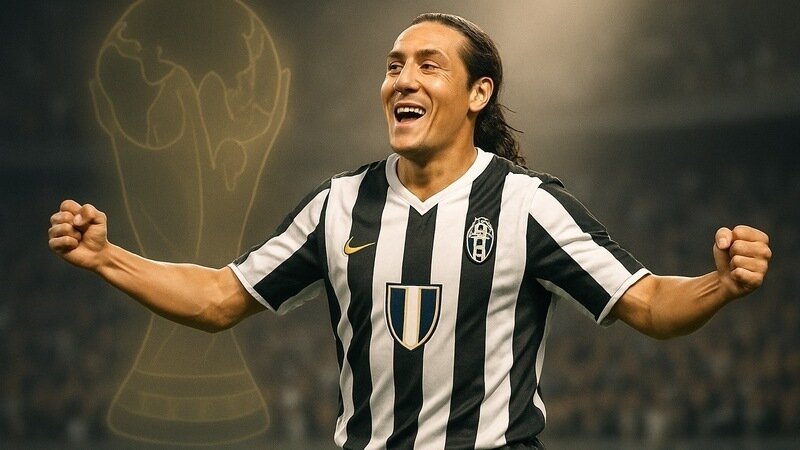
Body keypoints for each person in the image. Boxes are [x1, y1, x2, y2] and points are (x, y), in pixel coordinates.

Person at [49, 13, 771, 450]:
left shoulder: (527, 205)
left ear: (478, 93)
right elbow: (218, 299)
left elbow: (648, 304)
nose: (403, 80)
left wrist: (719, 284)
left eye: (429, 65)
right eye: (394, 67)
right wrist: (107, 257)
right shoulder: (338, 204)